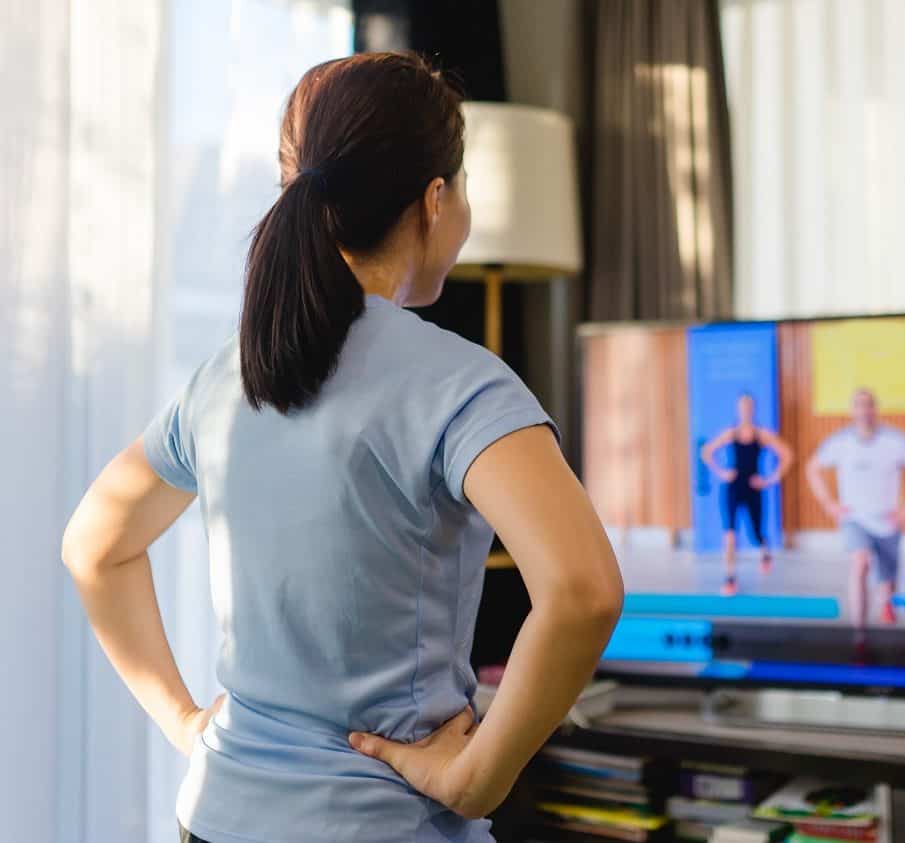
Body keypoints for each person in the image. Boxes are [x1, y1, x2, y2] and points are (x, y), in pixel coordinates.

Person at [60, 53, 623, 843]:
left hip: (215, 817)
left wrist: (189, 723)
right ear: (435, 201)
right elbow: (583, 590)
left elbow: (95, 547)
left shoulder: (228, 374)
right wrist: (474, 777)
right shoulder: (459, 384)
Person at [806, 389, 905, 628]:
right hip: (855, 518)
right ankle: (859, 631)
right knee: (860, 562)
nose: (864, 411)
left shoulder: (896, 441)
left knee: (887, 580)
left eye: (868, 405)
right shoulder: (840, 442)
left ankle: (887, 604)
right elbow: (812, 468)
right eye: (858, 405)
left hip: (887, 520)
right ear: (852, 411)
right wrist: (828, 503)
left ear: (875, 409)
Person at [700, 392, 793, 595]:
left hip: (753, 487)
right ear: (738, 410)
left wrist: (770, 479)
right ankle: (730, 577)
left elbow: (786, 455)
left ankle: (765, 553)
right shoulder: (731, 433)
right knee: (730, 533)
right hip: (733, 486)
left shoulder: (762, 435)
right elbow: (706, 451)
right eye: (742, 407)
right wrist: (721, 472)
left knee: (756, 533)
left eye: (749, 407)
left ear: (753, 410)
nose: (745, 410)